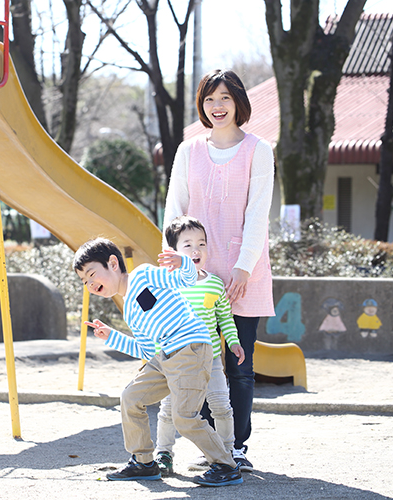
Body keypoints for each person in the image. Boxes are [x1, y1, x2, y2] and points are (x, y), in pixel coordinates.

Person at [163, 69, 275, 472]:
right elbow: (174, 209)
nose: (217, 106)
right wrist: (174, 262)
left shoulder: (259, 149)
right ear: (202, 105)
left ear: (238, 102)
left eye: (225, 98)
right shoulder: (188, 151)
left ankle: (237, 447)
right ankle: (214, 444)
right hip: (194, 277)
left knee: (239, 366)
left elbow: (259, 214)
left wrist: (244, 269)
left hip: (245, 274)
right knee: (199, 362)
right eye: (210, 99)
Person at [73, 237, 243, 487]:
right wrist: (113, 337)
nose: (89, 284)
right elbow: (145, 348)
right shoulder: (129, 309)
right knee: (131, 398)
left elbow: (185, 279)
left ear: (112, 263)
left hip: (189, 349)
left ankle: (226, 466)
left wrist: (184, 261)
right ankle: (143, 462)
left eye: (91, 274)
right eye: (84, 281)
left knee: (184, 417)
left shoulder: (143, 276)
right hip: (164, 357)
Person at [153, 216, 245, 476]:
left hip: (212, 359)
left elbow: (225, 319)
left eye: (202, 244)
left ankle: (225, 453)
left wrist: (234, 343)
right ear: (173, 252)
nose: (196, 250)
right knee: (169, 409)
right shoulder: (166, 283)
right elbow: (154, 317)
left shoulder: (215, 283)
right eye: (188, 245)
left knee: (221, 406)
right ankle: (164, 453)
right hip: (176, 360)